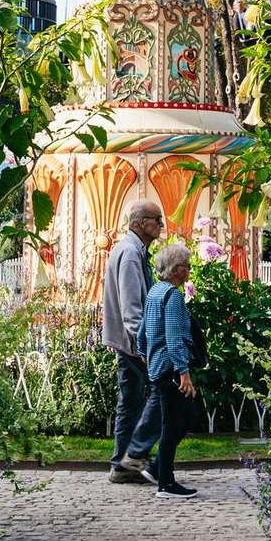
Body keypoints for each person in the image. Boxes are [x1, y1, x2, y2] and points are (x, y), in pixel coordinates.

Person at [102, 202, 165, 484]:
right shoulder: (129, 253)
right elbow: (132, 310)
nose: (161, 225)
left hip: (125, 341)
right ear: (140, 223)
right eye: (156, 220)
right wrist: (147, 348)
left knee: (130, 402)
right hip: (133, 343)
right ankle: (136, 456)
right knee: (164, 392)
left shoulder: (132, 250)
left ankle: (121, 466)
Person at [141, 243, 201, 500]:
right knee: (173, 424)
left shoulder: (155, 291)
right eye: (186, 266)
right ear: (176, 270)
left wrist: (145, 354)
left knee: (185, 418)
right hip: (172, 368)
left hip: (158, 366)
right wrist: (183, 372)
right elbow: (174, 338)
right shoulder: (173, 296)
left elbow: (142, 331)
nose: (189, 271)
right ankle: (165, 483)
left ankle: (158, 468)